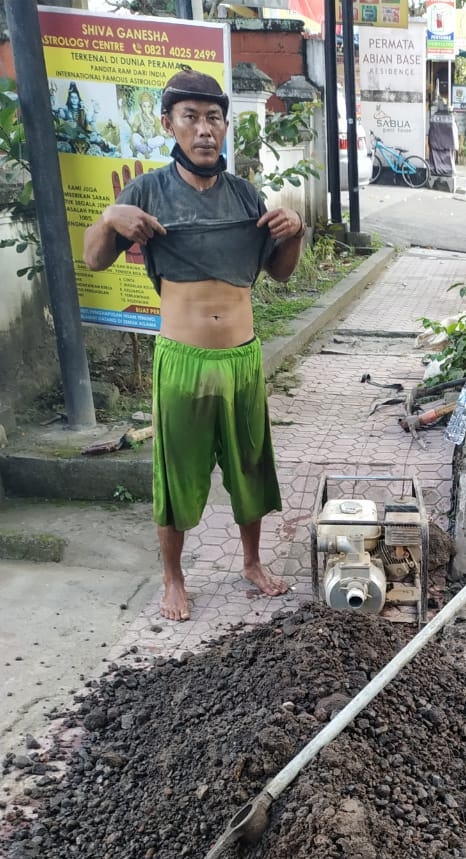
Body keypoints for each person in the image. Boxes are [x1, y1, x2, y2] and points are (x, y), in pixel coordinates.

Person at [83, 71, 305, 622]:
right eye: (191, 117)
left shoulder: (243, 194)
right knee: (175, 470)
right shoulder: (148, 192)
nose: (205, 130)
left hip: (242, 357)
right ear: (168, 124)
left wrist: (295, 232)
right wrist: (111, 216)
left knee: (251, 463)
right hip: (181, 360)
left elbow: (277, 272)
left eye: (214, 118)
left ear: (226, 126)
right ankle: (173, 579)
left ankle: (251, 562)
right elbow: (93, 258)